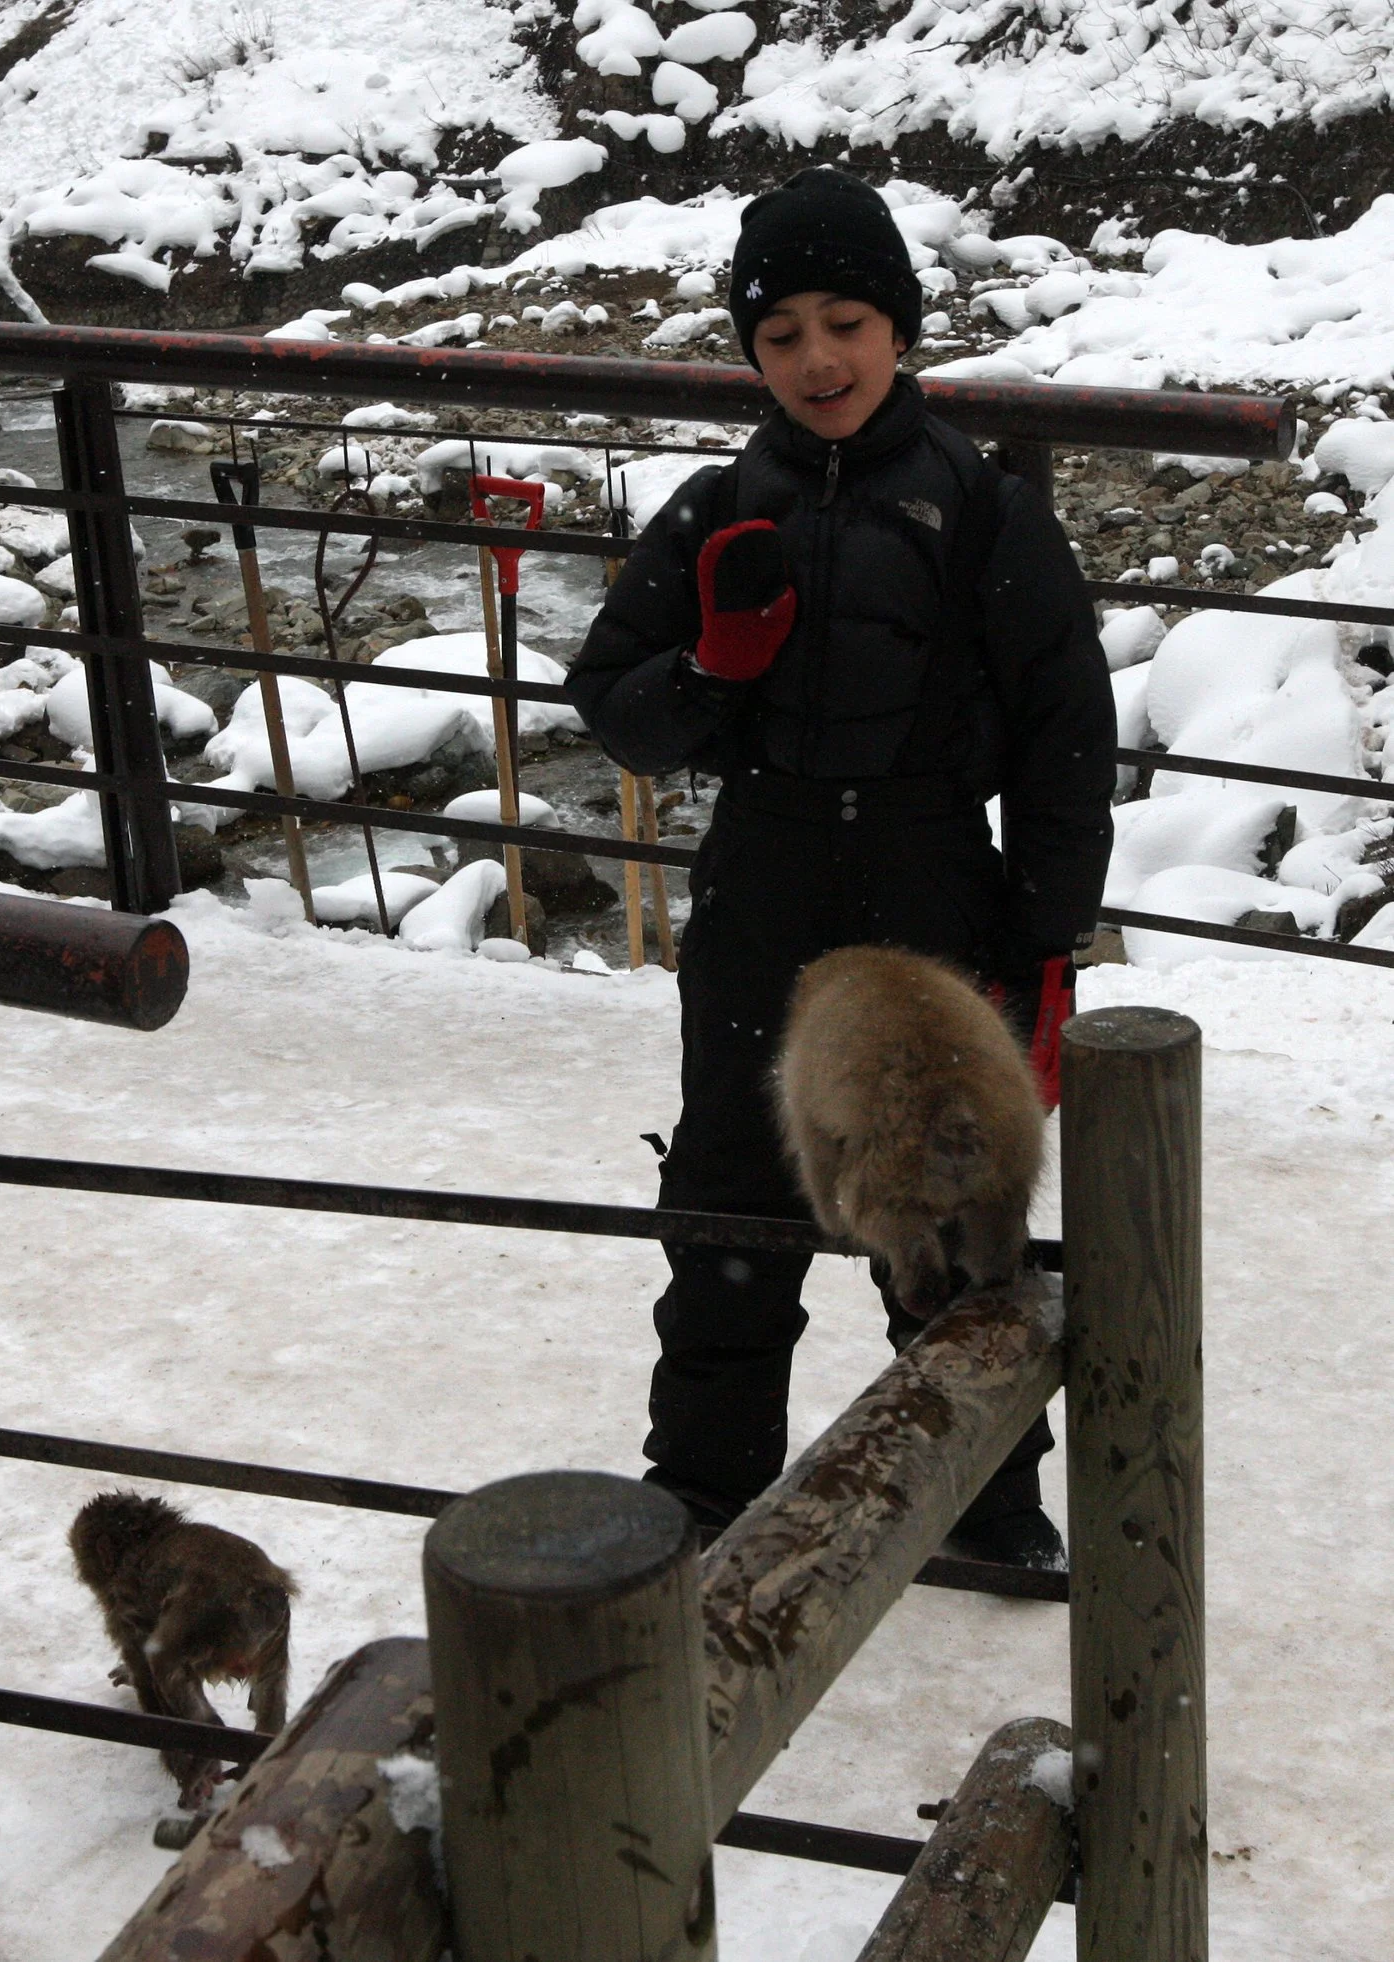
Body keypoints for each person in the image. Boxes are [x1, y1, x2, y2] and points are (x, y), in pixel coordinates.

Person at [559, 167, 1115, 1569]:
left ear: (901, 331)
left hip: (936, 879)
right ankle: (703, 1482)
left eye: (847, 321)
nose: (818, 358)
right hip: (767, 881)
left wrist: (1045, 944)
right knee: (733, 1184)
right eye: (784, 331)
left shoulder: (987, 514)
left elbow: (1064, 732)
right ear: (752, 353)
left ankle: (983, 1497)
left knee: (953, 1181)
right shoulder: (711, 508)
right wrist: (710, 668)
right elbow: (616, 699)